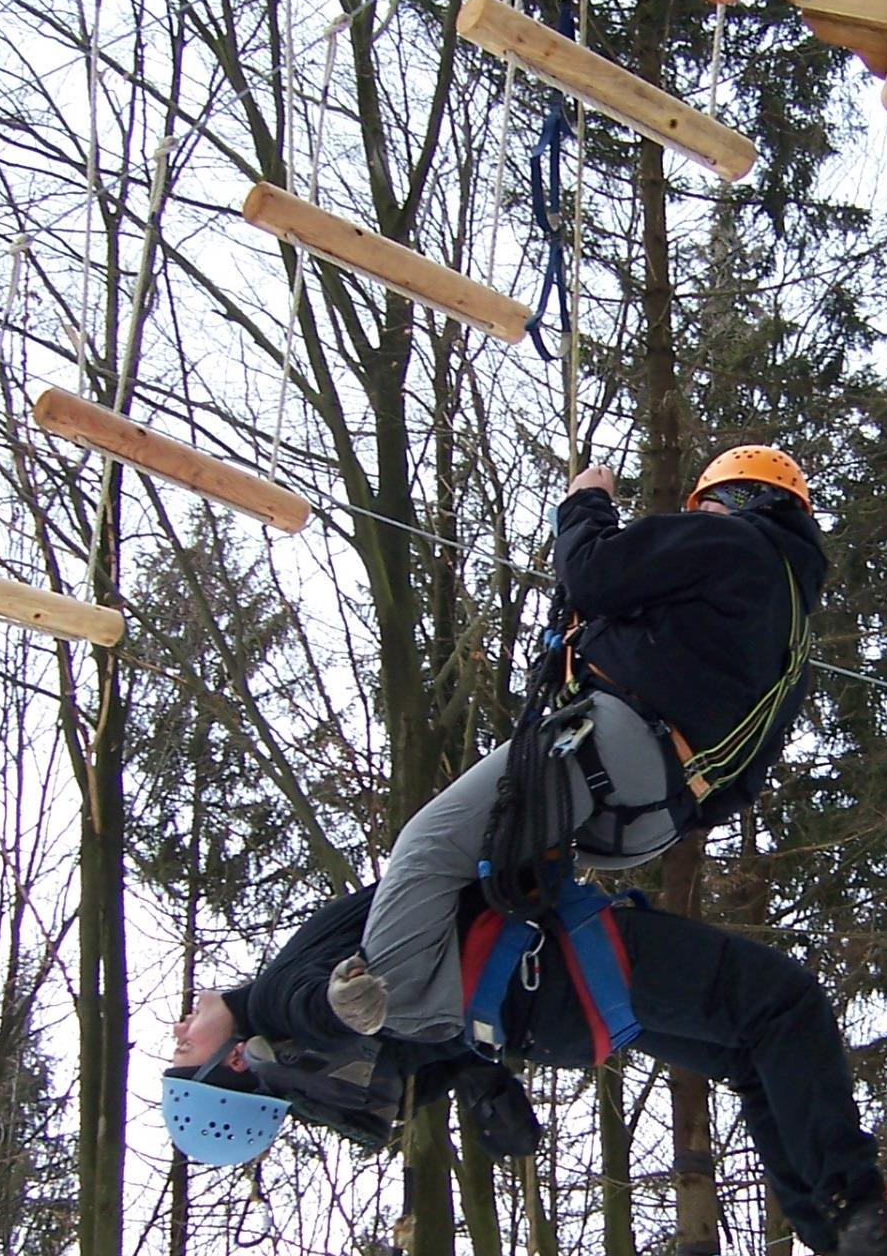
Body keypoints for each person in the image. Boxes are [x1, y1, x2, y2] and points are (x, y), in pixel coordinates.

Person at [164, 879, 887, 1256]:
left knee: (752, 1050)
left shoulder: (314, 1074)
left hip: (549, 1007)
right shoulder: (281, 1002)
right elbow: (325, 996)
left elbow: (417, 1042)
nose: (177, 1026)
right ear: (230, 1067)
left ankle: (848, 1252)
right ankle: (864, 1229)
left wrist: (480, 1081)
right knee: (783, 1005)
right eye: (181, 1052)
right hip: (554, 964)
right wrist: (330, 1001)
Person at [300, 444, 830, 1055]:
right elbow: (744, 776)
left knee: (430, 846)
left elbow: (595, 574)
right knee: (489, 874)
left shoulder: (736, 545)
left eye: (708, 502)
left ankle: (397, 1018)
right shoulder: (792, 637)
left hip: (615, 747)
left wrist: (587, 501)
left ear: (737, 499)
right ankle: (468, 997)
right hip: (653, 817)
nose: (702, 514)